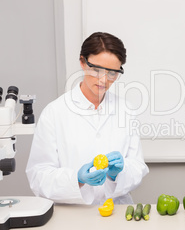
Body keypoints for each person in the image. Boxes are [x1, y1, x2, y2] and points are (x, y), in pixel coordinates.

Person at [26, 32, 149, 205]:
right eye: (97, 70)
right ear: (82, 62)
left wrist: (117, 174)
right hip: (73, 214)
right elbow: (38, 175)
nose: (104, 80)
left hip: (116, 211)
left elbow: (137, 167)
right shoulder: (55, 112)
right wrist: (77, 179)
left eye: (112, 73)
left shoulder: (126, 110)